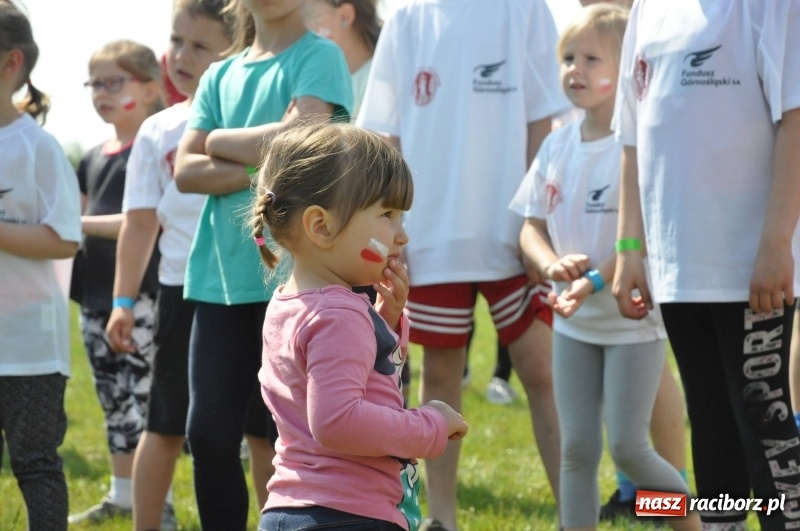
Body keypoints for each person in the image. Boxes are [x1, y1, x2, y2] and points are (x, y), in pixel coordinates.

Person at [357, 1, 570, 529]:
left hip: (513, 232)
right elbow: (385, 134)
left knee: (541, 372)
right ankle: (442, 518)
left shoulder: (525, 11)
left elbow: (544, 119)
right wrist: (391, 222)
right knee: (441, 373)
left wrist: (536, 218)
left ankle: (575, 513)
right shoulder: (408, 18)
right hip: (432, 234)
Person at [612, 0, 800, 529]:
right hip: (677, 267)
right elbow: (632, 139)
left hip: (750, 267)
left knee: (763, 421)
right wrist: (630, 250)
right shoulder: (647, 10)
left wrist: (776, 242)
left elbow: (796, 122)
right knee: (710, 417)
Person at [511, 5, 700, 530]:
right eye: (568, 57)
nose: (575, 68)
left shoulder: (637, 150)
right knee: (577, 449)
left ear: (628, 69)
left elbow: (636, 241)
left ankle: (691, 523)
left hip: (631, 323)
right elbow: (529, 227)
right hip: (574, 323)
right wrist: (551, 266)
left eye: (592, 58)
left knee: (630, 448)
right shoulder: (555, 145)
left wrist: (591, 280)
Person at [173, 0, 353, 527]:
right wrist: (267, 155)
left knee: (289, 437)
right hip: (218, 281)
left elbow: (303, 137)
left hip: (299, 281)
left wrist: (216, 140)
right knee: (206, 435)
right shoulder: (219, 74)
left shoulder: (320, 56)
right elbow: (185, 171)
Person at [252, 122, 468, 531]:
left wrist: (383, 320)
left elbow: (340, 379)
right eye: (386, 214)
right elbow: (338, 421)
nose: (401, 236)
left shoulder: (290, 304)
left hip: (291, 509)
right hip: (349, 514)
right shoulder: (340, 314)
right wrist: (431, 424)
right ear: (321, 226)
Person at [104, 1, 235, 530]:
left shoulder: (254, 127)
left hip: (258, 294)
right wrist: (122, 302)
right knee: (164, 425)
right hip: (184, 293)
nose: (181, 55)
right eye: (177, 40)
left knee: (262, 430)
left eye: (200, 46)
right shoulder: (158, 132)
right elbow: (138, 226)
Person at [68, 39, 164, 525]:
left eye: (114, 82)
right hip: (93, 296)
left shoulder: (151, 151)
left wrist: (76, 224)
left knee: (146, 403)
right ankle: (121, 495)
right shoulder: (92, 156)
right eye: (95, 84)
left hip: (142, 295)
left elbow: (144, 220)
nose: (101, 93)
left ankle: (158, 504)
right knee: (112, 401)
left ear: (150, 89)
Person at [0, 3, 81, 529]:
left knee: (34, 465)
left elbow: (63, 239)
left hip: (27, 348)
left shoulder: (38, 148)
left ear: (10, 63)